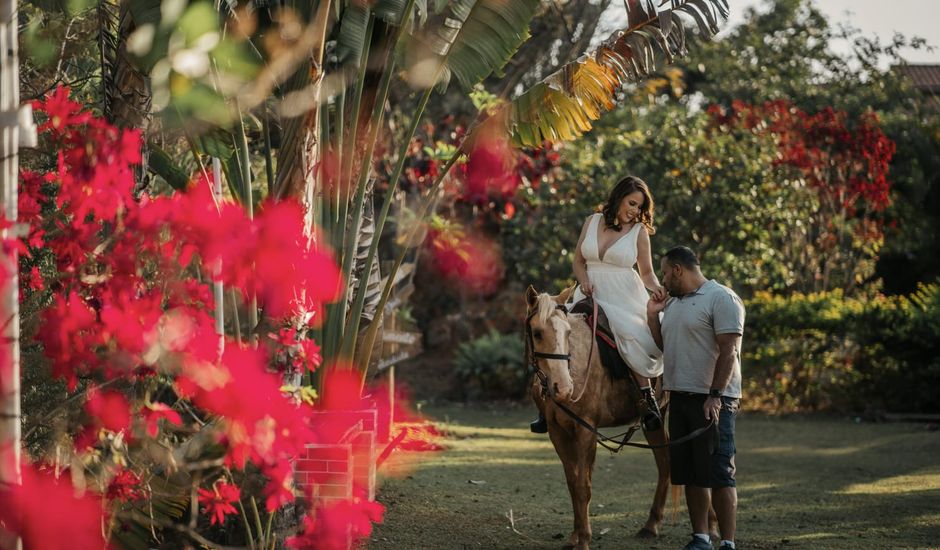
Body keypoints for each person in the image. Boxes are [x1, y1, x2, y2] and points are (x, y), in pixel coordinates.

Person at [530, 175, 667, 433]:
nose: (635, 211)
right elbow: (578, 261)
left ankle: (647, 399)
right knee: (555, 333)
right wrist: (583, 283)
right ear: (618, 198)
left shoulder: (639, 232)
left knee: (627, 335)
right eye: (632, 203)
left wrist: (657, 289)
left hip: (622, 295)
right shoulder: (592, 221)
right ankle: (545, 405)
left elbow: (646, 272)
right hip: (588, 292)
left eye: (639, 206)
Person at [646, 246, 744, 550]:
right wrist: (653, 316)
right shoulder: (673, 304)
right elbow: (665, 346)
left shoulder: (722, 298)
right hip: (681, 399)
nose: (662, 279)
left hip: (714, 401)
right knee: (690, 473)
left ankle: (727, 543)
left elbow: (730, 350)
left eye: (663, 272)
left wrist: (715, 396)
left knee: (719, 474)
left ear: (678, 270)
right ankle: (701, 538)